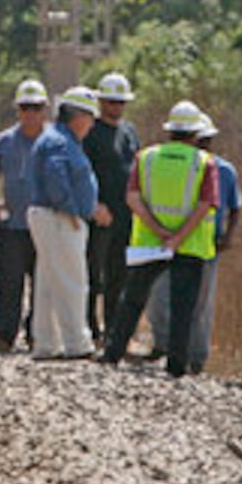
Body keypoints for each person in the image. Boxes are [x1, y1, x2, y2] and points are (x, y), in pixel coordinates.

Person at [100, 101, 217, 378]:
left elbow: (132, 199)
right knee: (183, 306)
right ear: (196, 133)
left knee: (133, 299)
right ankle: (176, 366)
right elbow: (205, 205)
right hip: (189, 244)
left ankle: (112, 353)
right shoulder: (204, 162)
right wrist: (177, 237)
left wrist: (158, 229)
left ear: (170, 130)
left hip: (150, 241)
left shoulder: (146, 157)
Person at [146, 108, 240, 370]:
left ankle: (196, 358)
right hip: (170, 240)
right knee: (160, 297)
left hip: (206, 245)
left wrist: (229, 236)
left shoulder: (225, 170)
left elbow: (235, 207)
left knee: (201, 305)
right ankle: (164, 346)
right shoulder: (177, 163)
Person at [25, 86, 108, 360]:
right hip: (59, 217)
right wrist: (71, 210)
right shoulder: (61, 142)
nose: (93, 124)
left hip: (50, 215)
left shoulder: (58, 138)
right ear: (77, 115)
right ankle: (77, 343)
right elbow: (56, 174)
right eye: (91, 117)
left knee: (49, 282)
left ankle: (46, 343)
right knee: (73, 280)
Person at [0, 79, 50, 354]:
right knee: (9, 283)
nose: (30, 113)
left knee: (42, 284)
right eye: (25, 107)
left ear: (44, 109)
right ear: (17, 110)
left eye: (35, 107)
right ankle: (4, 336)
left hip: (43, 225)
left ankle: (36, 334)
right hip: (12, 225)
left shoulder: (53, 140)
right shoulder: (5, 140)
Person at [83, 72, 141, 343]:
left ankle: (114, 332)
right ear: (101, 101)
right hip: (99, 216)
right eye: (111, 102)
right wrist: (94, 205)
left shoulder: (129, 131)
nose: (116, 107)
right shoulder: (90, 132)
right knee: (94, 275)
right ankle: (89, 329)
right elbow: (83, 173)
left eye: (120, 102)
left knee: (119, 276)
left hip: (126, 215)